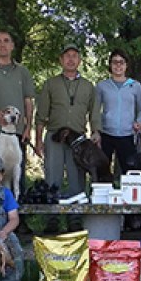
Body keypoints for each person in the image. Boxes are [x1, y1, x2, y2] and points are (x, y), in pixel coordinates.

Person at [35, 43, 101, 231]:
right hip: (55, 135)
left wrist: (96, 131)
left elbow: (94, 112)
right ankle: (52, 218)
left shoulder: (88, 86)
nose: (71, 59)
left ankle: (75, 218)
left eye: (74, 55)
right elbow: (41, 114)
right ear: (61, 60)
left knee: (77, 178)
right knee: (52, 176)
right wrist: (39, 140)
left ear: (79, 60)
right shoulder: (51, 84)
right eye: (67, 56)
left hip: (77, 139)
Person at [0, 29, 35, 194]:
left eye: (6, 40)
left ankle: (18, 217)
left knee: (17, 177)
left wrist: (28, 127)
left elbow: (28, 100)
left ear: (12, 45)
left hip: (16, 133)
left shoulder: (23, 72)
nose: (2, 44)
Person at [96, 48, 141, 230]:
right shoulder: (102, 86)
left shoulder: (135, 86)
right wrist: (96, 130)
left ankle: (132, 217)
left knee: (131, 177)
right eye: (115, 61)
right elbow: (95, 110)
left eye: (121, 62)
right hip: (106, 135)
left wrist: (139, 122)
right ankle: (104, 215)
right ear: (110, 65)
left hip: (127, 135)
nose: (118, 65)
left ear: (126, 65)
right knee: (103, 175)